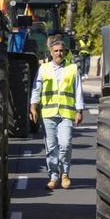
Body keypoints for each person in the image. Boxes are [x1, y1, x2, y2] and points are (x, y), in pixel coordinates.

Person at [30, 34, 84, 190]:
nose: (59, 53)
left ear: (65, 52)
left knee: (65, 144)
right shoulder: (44, 68)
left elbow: (78, 91)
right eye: (56, 51)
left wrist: (79, 110)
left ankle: (65, 174)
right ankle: (53, 176)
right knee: (51, 147)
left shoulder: (72, 69)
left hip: (67, 113)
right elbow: (36, 88)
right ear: (51, 52)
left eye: (61, 50)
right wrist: (33, 107)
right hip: (48, 114)